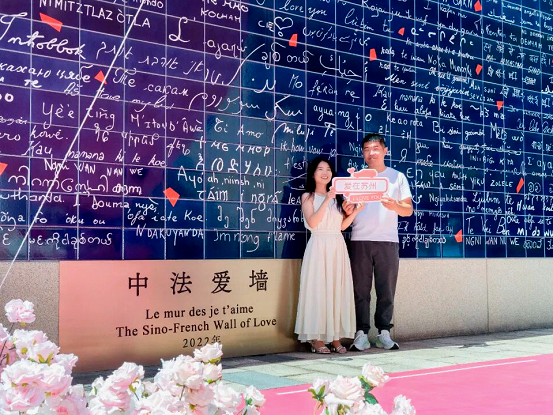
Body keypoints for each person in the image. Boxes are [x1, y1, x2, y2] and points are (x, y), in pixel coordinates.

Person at [344, 133, 413, 351]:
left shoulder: (397, 177)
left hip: (387, 240)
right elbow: (347, 210)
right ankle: (361, 333)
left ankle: (384, 332)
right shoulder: (356, 178)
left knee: (386, 289)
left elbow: (408, 210)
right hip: (360, 239)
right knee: (360, 289)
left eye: (375, 148)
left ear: (385, 151)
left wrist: (395, 206)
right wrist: (347, 208)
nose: (371, 153)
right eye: (366, 149)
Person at [294, 157, 364, 354]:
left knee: (335, 290)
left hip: (337, 246)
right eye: (320, 169)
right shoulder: (307, 196)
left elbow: (341, 226)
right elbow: (313, 222)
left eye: (328, 169)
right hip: (318, 246)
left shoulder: (338, 198)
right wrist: (326, 199)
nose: (325, 172)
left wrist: (356, 211)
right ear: (313, 173)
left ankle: (334, 337)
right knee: (318, 290)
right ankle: (316, 338)